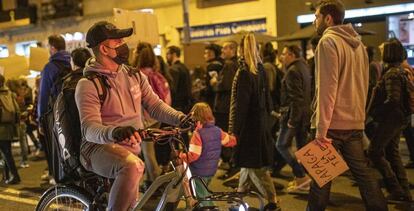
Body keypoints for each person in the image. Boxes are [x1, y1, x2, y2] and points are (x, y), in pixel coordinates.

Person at [75, 21, 185, 211]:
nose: (124, 44)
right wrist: (115, 132)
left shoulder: (135, 75)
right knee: (133, 167)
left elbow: (155, 105)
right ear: (104, 48)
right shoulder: (88, 84)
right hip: (97, 150)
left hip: (131, 149)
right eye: (118, 41)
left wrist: (181, 118)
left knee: (133, 202)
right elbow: (89, 129)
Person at [308, 1, 387, 210]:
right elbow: (363, 85)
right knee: (363, 174)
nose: (314, 21)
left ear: (327, 18)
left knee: (321, 179)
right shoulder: (359, 45)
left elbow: (327, 88)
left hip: (331, 124)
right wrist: (359, 119)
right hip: (354, 122)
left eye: (316, 17)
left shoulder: (327, 42)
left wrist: (321, 130)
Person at [229, 33, 281, 211]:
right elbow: (268, 98)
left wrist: (234, 130)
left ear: (242, 49)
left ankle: (272, 200)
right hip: (260, 123)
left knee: (254, 165)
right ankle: (239, 196)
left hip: (249, 127)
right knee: (248, 163)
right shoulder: (260, 69)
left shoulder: (244, 72)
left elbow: (240, 105)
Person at [367, 39, 412, 203]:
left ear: (389, 52)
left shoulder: (392, 73)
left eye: (384, 48)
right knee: (392, 152)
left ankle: (395, 187)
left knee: (374, 151)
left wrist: (376, 113)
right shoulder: (398, 71)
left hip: (391, 119)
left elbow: (393, 99)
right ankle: (403, 191)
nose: (381, 50)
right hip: (399, 118)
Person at [179, 102, 236, 207]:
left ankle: (210, 208)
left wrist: (182, 156)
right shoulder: (218, 131)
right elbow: (230, 141)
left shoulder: (198, 134)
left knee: (202, 196)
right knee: (205, 192)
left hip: (199, 171)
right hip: (212, 170)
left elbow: (194, 155)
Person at [276, 45, 311, 192]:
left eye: (284, 54)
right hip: (304, 115)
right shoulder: (304, 67)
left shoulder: (292, 71)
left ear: (291, 54)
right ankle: (304, 181)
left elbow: (296, 98)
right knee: (303, 147)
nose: (282, 57)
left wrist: (292, 120)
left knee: (282, 145)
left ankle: (301, 176)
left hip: (293, 115)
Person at [38, 34, 71, 184]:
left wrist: (41, 120)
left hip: (56, 114)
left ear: (52, 47)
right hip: (73, 110)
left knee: (57, 146)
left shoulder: (49, 67)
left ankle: (60, 177)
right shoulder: (73, 62)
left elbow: (43, 95)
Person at [212, 41, 239, 179]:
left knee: (225, 137)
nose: (222, 50)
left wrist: (215, 83)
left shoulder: (229, 65)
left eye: (225, 48)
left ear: (232, 49)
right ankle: (233, 166)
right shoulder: (237, 64)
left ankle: (231, 166)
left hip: (224, 107)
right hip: (229, 106)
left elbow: (225, 85)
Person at [0, 74, 21, 184]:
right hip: (9, 128)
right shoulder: (9, 93)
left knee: (6, 154)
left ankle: (15, 176)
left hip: (1, 128)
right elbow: (17, 110)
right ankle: (7, 176)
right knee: (6, 153)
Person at [166, 45, 193, 114]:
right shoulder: (184, 67)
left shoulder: (173, 69)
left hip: (177, 106)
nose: (166, 56)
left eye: (168, 54)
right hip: (186, 104)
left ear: (174, 54)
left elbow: (173, 89)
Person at [203, 44, 224, 108]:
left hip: (213, 99)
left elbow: (213, 83)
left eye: (206, 53)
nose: (204, 56)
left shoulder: (213, 66)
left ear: (211, 54)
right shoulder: (222, 63)